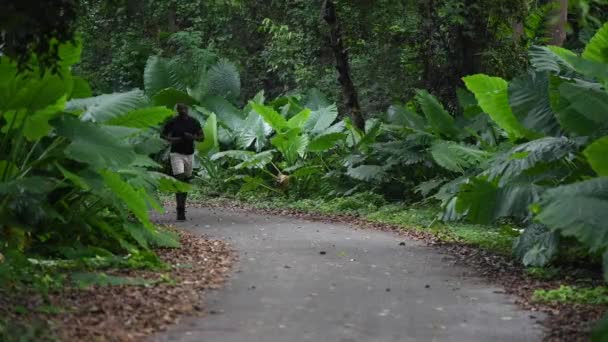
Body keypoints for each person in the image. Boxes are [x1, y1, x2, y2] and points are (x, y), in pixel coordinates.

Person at [161, 103, 203, 221]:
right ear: (178, 111)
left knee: (186, 180)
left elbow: (202, 137)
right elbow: (162, 134)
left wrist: (192, 137)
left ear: (188, 109)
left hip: (189, 154)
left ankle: (182, 206)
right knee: (180, 179)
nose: (183, 111)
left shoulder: (193, 122)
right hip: (176, 154)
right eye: (181, 109)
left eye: (185, 109)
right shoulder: (173, 122)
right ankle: (180, 210)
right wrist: (172, 139)